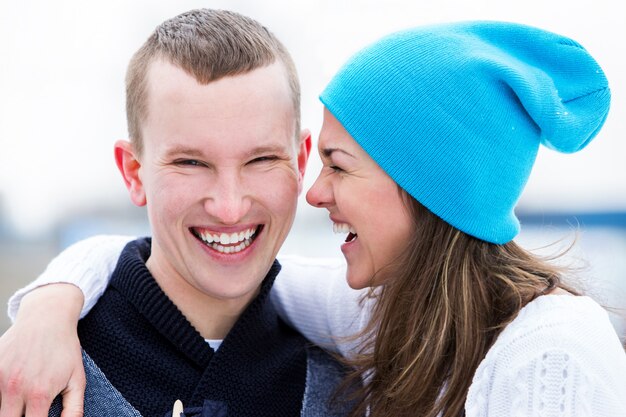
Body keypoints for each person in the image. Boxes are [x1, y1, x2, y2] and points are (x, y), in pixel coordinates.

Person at [4, 20, 626, 417]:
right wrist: (48, 305)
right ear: (134, 172)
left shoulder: (550, 352)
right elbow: (203, 263)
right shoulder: (378, 317)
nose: (315, 193)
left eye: (336, 166)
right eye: (191, 162)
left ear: (426, 190)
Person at [0, 8, 357, 417]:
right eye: (191, 163)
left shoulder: (349, 392)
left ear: (299, 162)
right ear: (134, 172)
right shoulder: (31, 379)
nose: (229, 208)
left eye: (260, 160)